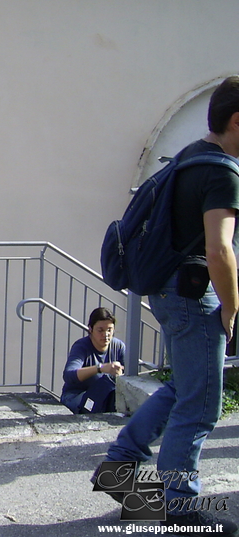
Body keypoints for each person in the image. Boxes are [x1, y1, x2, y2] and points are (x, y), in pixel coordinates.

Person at [94, 76, 239, 536]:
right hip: (195, 295)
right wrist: (232, 309)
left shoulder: (191, 155)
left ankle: (119, 468)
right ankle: (178, 507)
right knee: (200, 406)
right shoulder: (222, 172)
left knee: (183, 390)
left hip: (167, 290)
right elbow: (219, 249)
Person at [60, 308, 125, 414]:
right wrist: (101, 368)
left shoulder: (119, 346)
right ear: (90, 329)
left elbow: (130, 376)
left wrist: (119, 374)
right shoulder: (81, 346)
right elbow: (69, 375)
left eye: (109, 330)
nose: (106, 334)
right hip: (76, 396)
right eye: (100, 330)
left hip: (105, 396)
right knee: (104, 386)